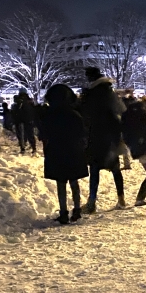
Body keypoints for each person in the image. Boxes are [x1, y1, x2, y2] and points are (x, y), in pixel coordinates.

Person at [39, 84, 88, 224]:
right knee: (74, 181)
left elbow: (43, 135)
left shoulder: (49, 115)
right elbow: (83, 134)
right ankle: (77, 210)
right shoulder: (75, 114)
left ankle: (63, 212)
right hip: (74, 150)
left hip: (56, 151)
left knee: (60, 183)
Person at [79, 67, 126, 213]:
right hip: (112, 137)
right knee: (116, 169)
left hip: (97, 136)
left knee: (94, 169)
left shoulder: (92, 94)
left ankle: (92, 202)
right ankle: (121, 199)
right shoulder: (110, 93)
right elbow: (122, 110)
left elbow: (85, 113)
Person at [12, 89, 37, 154]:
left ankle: (22, 148)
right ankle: (33, 148)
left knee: (20, 135)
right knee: (30, 134)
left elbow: (15, 111)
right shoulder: (30, 101)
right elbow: (33, 111)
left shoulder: (18, 101)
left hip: (19, 121)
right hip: (29, 120)